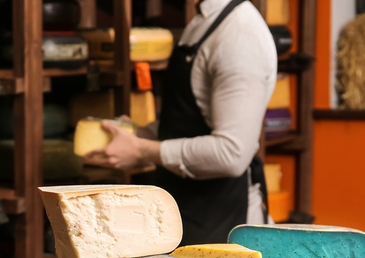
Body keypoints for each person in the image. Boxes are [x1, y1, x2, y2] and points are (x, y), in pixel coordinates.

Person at [84, 0, 277, 245]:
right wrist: (142, 134)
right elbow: (194, 120)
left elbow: (231, 154)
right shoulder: (203, 20)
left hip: (220, 221)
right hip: (181, 210)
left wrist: (141, 150)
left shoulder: (240, 36)